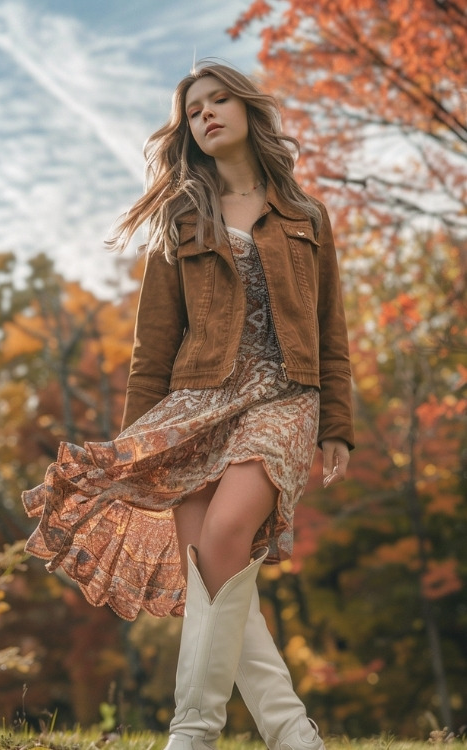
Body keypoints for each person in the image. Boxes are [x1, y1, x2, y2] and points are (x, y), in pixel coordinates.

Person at [22, 60, 354, 750]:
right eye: (193, 108)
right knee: (214, 572)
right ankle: (294, 733)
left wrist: (338, 428)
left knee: (228, 536)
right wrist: (139, 446)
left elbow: (331, 333)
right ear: (189, 132)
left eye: (218, 99)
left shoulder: (306, 217)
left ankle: (191, 732)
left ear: (246, 110)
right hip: (193, 402)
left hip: (283, 397)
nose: (205, 114)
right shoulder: (180, 221)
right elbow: (153, 346)